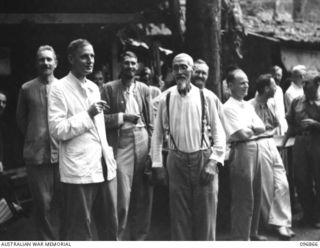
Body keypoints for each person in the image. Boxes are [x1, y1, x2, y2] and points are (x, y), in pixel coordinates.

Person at [48, 39, 117, 240]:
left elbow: (100, 131)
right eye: (84, 56)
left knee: (108, 228)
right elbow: (57, 130)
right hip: (78, 170)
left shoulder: (95, 87)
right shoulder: (59, 88)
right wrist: (87, 114)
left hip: (102, 167)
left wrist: (107, 157)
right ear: (71, 59)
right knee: (79, 231)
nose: (90, 60)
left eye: (92, 56)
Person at [151, 53, 226, 240]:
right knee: (179, 217)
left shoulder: (206, 97)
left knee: (206, 216)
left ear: (191, 70)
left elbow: (219, 133)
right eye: (175, 68)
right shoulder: (165, 98)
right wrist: (157, 164)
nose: (179, 72)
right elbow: (157, 134)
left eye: (183, 67)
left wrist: (213, 162)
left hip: (202, 158)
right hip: (176, 160)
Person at [101, 51, 153, 240]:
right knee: (121, 197)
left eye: (133, 63)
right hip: (121, 142)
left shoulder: (144, 89)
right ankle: (117, 239)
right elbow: (101, 119)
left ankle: (139, 239)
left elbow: (151, 122)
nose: (130, 66)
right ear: (120, 65)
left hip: (142, 139)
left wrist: (152, 152)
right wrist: (123, 118)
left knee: (143, 194)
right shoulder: (109, 88)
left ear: (137, 65)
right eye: (126, 63)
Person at [16, 45, 61, 240]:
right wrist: (35, 137)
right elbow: (21, 120)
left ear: (56, 63)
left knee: (63, 203)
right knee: (42, 205)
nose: (46, 63)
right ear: (37, 63)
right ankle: (47, 243)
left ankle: (64, 241)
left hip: (62, 155)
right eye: (42, 59)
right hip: (36, 155)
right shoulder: (26, 88)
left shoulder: (64, 87)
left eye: (49, 59)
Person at [223, 68, 267, 241]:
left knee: (256, 192)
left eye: (247, 82)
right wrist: (252, 129)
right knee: (243, 196)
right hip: (241, 150)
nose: (246, 86)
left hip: (255, 148)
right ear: (230, 85)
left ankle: (252, 232)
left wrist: (252, 129)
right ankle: (241, 238)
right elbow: (242, 134)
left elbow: (262, 126)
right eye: (241, 82)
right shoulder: (227, 108)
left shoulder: (247, 105)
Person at [250, 74, 294, 240]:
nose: (276, 88)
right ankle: (275, 225)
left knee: (282, 182)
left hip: (272, 144)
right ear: (266, 88)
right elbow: (251, 130)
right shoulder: (250, 106)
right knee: (266, 185)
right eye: (274, 85)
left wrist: (272, 134)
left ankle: (282, 221)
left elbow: (276, 125)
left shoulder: (270, 104)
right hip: (259, 145)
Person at [282, 75, 320, 229]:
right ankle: (308, 214)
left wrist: (316, 124)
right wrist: (283, 144)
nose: (305, 88)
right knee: (301, 180)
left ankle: (318, 216)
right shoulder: (296, 101)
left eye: (308, 85)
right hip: (300, 143)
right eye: (303, 85)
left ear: (317, 85)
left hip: (318, 142)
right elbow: (290, 125)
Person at [270, 66, 287, 135]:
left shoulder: (279, 90)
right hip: (271, 125)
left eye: (279, 75)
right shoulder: (265, 89)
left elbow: (281, 110)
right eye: (275, 75)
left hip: (281, 125)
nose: (277, 77)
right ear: (271, 75)